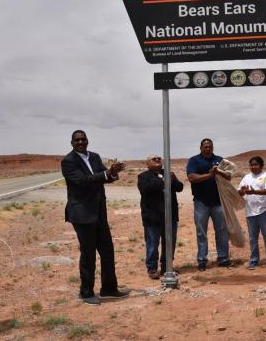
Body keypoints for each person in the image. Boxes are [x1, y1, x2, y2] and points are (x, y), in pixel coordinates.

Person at [61, 130, 129, 305]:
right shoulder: (68, 161)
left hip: (99, 211)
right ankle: (86, 292)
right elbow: (82, 181)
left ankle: (108, 288)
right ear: (72, 143)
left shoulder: (95, 157)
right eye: (77, 140)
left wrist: (112, 173)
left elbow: (104, 178)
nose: (80, 142)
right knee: (88, 253)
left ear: (88, 141)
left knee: (107, 250)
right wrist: (106, 174)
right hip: (82, 213)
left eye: (83, 139)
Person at [186, 138, 231, 271]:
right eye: (205, 147)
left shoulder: (219, 159)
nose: (208, 149)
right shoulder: (194, 160)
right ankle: (202, 260)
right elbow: (192, 178)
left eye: (210, 146)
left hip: (218, 201)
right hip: (201, 202)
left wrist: (220, 172)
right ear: (200, 148)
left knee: (222, 230)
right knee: (201, 232)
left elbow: (228, 176)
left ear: (213, 147)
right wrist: (210, 174)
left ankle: (223, 258)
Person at [137, 154, 184, 279]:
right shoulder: (143, 176)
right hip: (152, 217)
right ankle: (152, 268)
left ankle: (167, 267)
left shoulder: (169, 173)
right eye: (154, 159)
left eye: (159, 158)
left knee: (170, 242)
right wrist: (164, 181)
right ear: (147, 164)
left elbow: (180, 188)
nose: (158, 160)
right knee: (152, 243)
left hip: (170, 216)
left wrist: (173, 179)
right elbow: (146, 189)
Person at [238, 156, 266, 269]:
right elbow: (240, 192)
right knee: (252, 237)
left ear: (261, 165)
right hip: (250, 212)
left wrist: (254, 191)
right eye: (251, 165)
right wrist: (242, 191)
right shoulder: (246, 177)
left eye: (256, 164)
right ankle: (254, 259)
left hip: (264, 210)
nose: (253, 167)